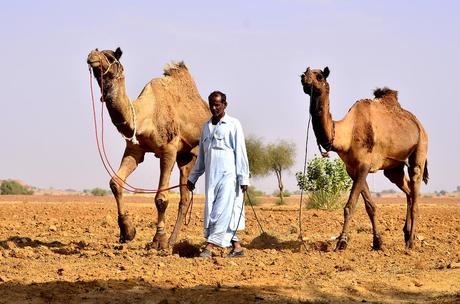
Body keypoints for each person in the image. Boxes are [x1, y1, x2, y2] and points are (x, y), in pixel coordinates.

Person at [187, 90, 250, 258]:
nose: (214, 108)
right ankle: (237, 247)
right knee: (217, 210)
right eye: (212, 105)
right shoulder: (206, 127)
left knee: (221, 210)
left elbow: (241, 152)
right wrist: (192, 177)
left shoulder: (234, 124)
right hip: (211, 178)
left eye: (217, 104)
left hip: (229, 176)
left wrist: (243, 177)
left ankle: (210, 246)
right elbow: (202, 156)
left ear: (225, 105)